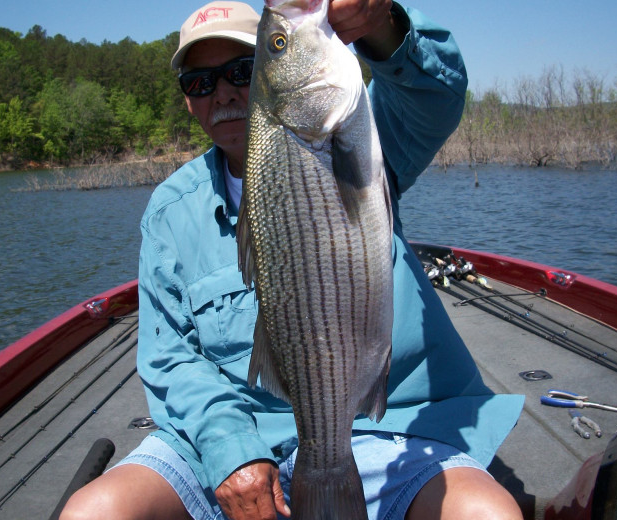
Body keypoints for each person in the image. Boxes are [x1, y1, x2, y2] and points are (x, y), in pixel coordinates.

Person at [61, 1, 525, 519]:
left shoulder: (364, 137)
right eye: (200, 82)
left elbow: (434, 96)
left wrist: (384, 24)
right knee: (94, 511)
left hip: (378, 426)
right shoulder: (170, 213)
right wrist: (230, 448)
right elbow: (170, 357)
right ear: (188, 101)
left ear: (261, 78)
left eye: (242, 70)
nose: (224, 93)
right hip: (224, 436)